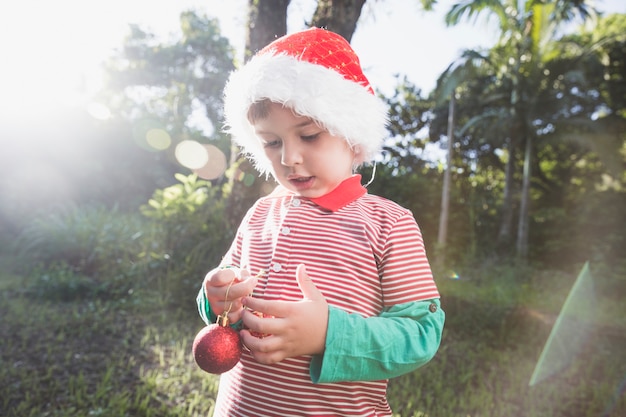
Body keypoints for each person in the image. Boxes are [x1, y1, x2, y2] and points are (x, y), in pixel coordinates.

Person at [197, 27, 445, 417]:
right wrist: (215, 295)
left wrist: (328, 334)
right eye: (272, 142)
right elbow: (224, 295)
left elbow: (420, 334)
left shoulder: (389, 223)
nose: (289, 157)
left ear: (353, 136)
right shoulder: (260, 213)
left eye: (309, 135)